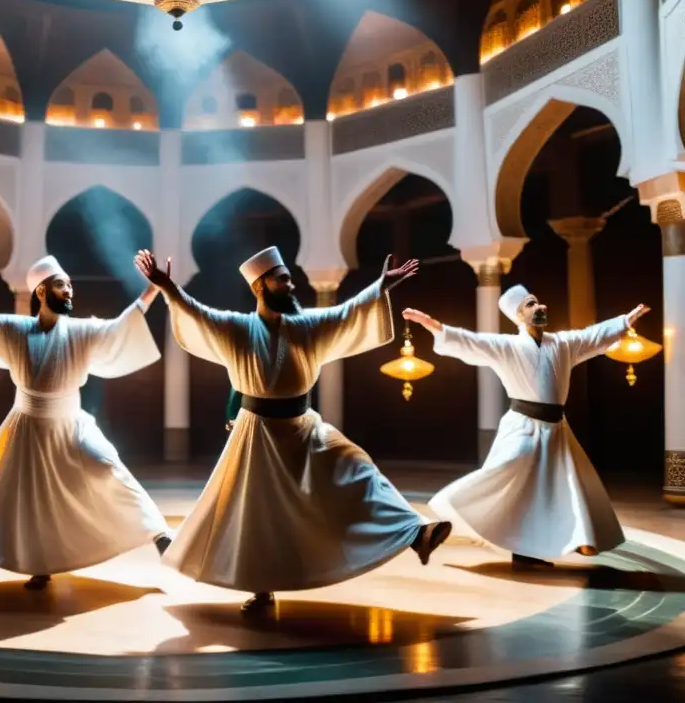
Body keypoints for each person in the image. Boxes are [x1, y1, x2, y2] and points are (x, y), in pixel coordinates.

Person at [134, 247, 451, 613]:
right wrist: (168, 288)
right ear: (259, 286)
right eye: (282, 278)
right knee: (260, 517)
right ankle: (262, 589)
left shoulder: (305, 325)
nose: (291, 284)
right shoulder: (237, 328)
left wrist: (381, 287)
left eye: (288, 277)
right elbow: (198, 315)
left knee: (357, 468)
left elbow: (345, 313)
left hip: (304, 427)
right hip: (257, 437)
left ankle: (416, 533)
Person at [0, 256, 172, 589]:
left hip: (71, 424)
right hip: (28, 426)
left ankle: (158, 534)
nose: (69, 290)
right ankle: (40, 565)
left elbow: (120, 325)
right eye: (63, 285)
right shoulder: (16, 329)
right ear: (42, 290)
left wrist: (151, 291)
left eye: (70, 284)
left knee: (108, 466)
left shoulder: (81, 330)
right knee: (33, 503)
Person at [402, 286, 649, 567]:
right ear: (518, 317)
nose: (539, 306)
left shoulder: (563, 344)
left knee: (554, 490)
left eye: (538, 302)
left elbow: (592, 336)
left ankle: (546, 546)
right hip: (523, 427)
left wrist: (624, 321)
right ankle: (444, 514)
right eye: (530, 304)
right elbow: (472, 342)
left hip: (556, 429)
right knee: (504, 473)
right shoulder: (507, 346)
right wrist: (436, 327)